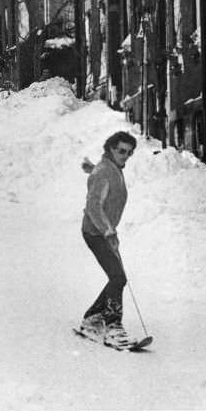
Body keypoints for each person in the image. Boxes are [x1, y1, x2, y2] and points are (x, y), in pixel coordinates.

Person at [76, 131, 137, 348]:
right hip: (96, 232)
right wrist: (108, 231)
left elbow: (101, 179)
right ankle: (113, 327)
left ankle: (93, 319)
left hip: (104, 231)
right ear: (110, 149)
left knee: (117, 277)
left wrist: (91, 169)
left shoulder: (110, 169)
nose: (125, 156)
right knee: (118, 277)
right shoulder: (105, 171)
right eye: (121, 151)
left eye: (129, 153)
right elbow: (93, 206)